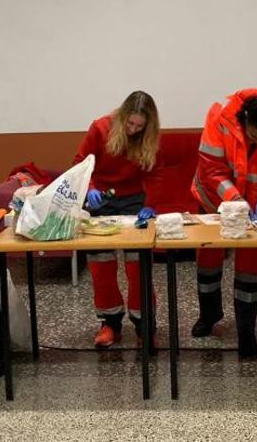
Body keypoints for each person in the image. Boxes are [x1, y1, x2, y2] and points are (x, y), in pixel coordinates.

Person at [190, 87, 257, 359]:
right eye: (255, 138)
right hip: (214, 198)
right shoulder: (219, 118)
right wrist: (234, 200)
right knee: (208, 256)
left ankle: (246, 330)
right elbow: (210, 169)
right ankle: (209, 315)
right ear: (245, 120)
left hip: (255, 202)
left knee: (250, 264)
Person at [73, 91, 161, 349]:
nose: (133, 129)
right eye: (130, 124)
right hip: (101, 198)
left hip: (134, 199)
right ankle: (110, 323)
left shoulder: (151, 137)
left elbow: (156, 175)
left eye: (139, 127)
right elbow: (81, 163)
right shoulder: (100, 128)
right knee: (101, 265)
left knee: (138, 267)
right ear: (122, 117)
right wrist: (89, 188)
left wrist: (150, 205)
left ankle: (145, 326)